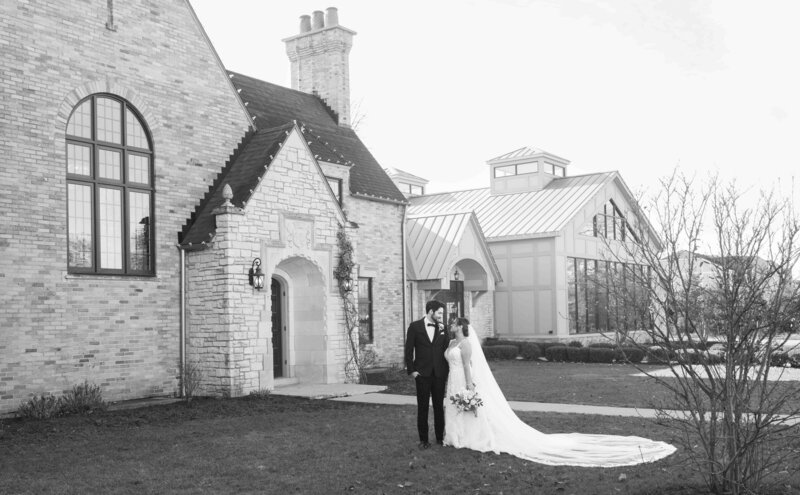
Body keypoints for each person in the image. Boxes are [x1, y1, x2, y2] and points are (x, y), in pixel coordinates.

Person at [443, 317, 677, 467]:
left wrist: (469, 386)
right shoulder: (452, 344)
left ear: (461, 327)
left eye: (453, 324)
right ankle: (455, 437)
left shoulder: (465, 344)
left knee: (471, 409)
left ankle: (470, 437)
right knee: (455, 409)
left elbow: (466, 366)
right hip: (451, 380)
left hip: (463, 379)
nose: (450, 326)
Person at [405, 299, 450, 449]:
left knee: (438, 407)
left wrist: (448, 371)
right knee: (422, 407)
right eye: (439, 313)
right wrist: (412, 371)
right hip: (422, 374)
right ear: (431, 311)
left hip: (439, 374)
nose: (441, 316)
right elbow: (408, 350)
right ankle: (423, 440)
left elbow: (447, 350)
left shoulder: (444, 328)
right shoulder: (415, 327)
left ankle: (439, 438)